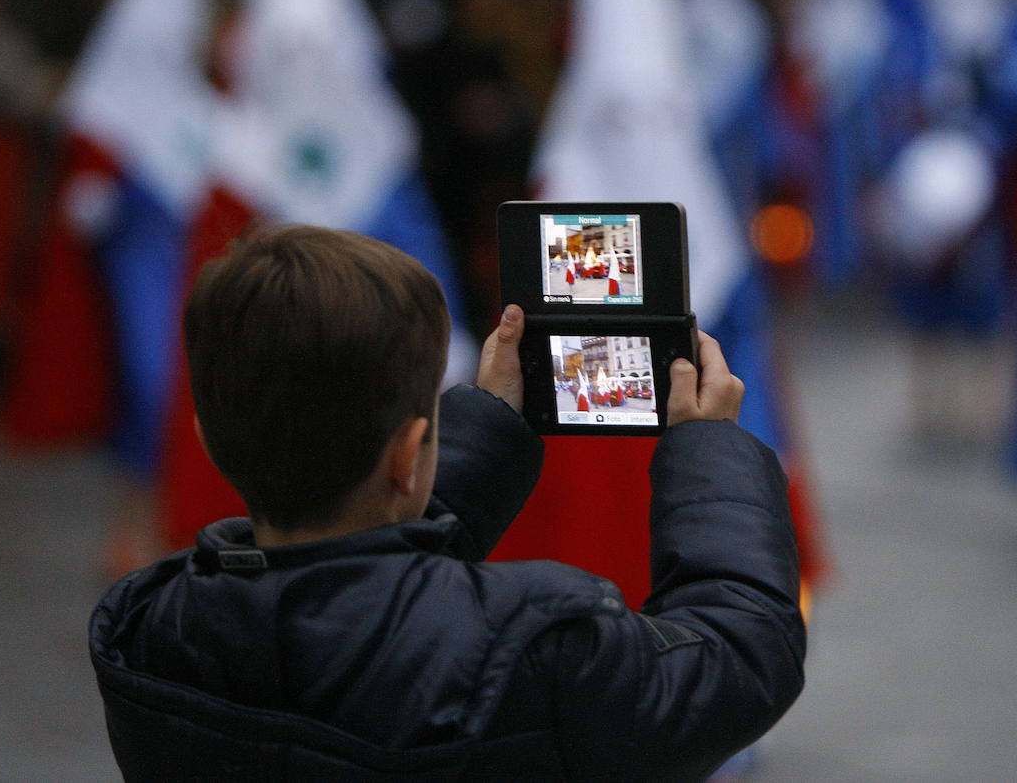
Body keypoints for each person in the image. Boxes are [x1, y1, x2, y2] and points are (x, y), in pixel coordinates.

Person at [88, 225, 805, 781]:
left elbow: (350, 591)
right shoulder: (539, 643)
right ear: (409, 454)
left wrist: (485, 430)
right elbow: (743, 655)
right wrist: (707, 447)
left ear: (208, 435)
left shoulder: (150, 631)